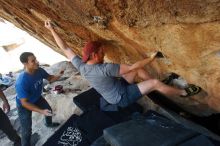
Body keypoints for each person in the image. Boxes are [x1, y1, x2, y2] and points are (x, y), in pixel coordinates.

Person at [45, 20, 201, 109]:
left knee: (140, 71)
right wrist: (152, 57)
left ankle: (159, 86)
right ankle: (183, 93)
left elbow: (65, 48)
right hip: (121, 98)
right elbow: (131, 67)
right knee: (152, 82)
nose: (104, 54)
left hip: (116, 89)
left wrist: (51, 29)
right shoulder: (104, 68)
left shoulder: (81, 65)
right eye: (101, 52)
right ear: (93, 55)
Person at [15, 52, 63, 146]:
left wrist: (58, 75)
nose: (37, 62)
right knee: (26, 129)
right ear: (25, 64)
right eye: (33, 61)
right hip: (24, 105)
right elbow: (24, 103)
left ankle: (48, 124)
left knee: (48, 110)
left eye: (36, 59)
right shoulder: (21, 81)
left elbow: (49, 78)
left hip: (36, 97)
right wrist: (41, 111)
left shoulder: (39, 70)